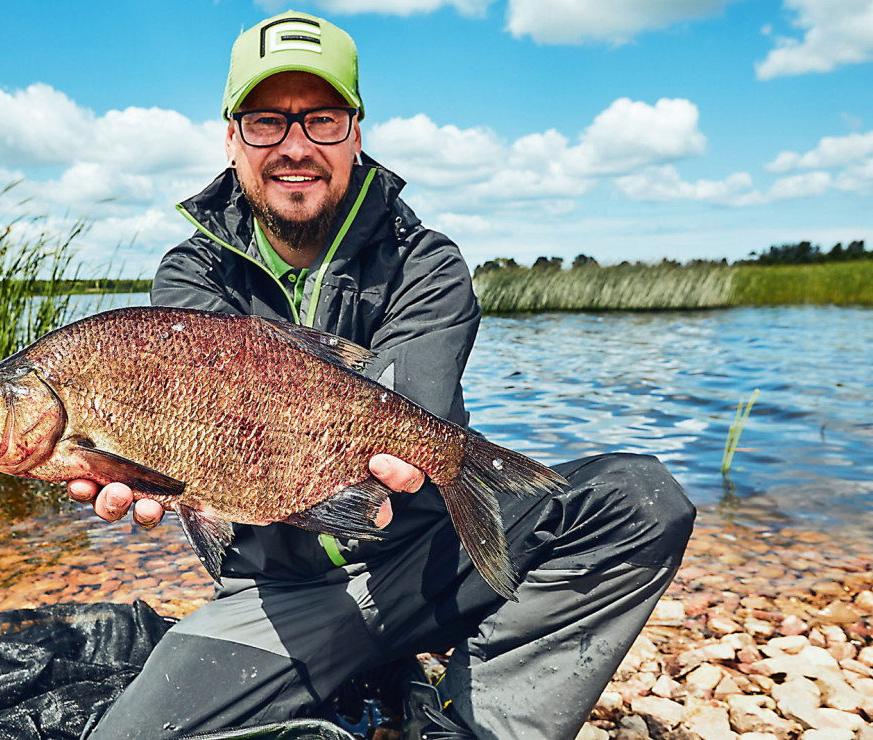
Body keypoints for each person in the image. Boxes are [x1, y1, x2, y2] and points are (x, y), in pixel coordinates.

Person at [68, 11, 696, 740]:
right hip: (280, 594)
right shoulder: (189, 273)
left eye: (323, 120)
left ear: (356, 132)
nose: (296, 146)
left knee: (640, 501)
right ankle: (356, 673)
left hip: (429, 559)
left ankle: (464, 718)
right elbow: (205, 424)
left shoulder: (425, 261)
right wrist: (140, 467)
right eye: (268, 121)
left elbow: (404, 417)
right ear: (232, 139)